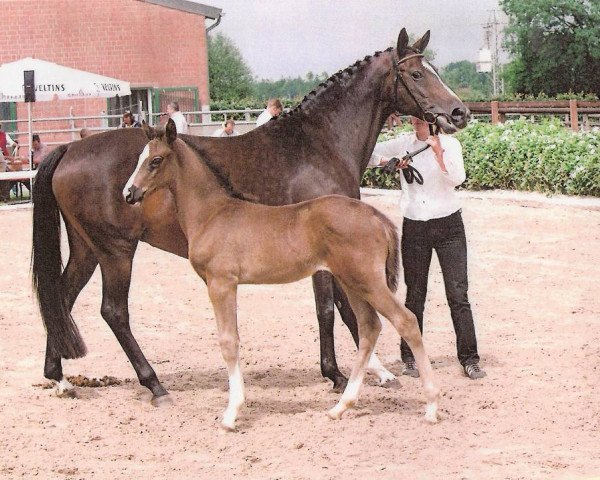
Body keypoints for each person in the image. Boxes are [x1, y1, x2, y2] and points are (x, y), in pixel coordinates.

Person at [369, 116, 486, 380]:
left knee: (458, 294)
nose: (415, 123)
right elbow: (368, 154)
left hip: (449, 226)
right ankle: (409, 357)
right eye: (414, 120)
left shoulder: (450, 144)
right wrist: (388, 162)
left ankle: (469, 358)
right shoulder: (403, 144)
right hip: (415, 227)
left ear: (433, 122)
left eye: (420, 120)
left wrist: (439, 154)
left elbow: (457, 178)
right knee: (415, 295)